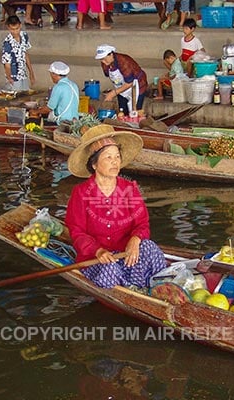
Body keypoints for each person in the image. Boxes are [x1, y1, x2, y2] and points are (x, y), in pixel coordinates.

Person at [65, 124, 167, 289]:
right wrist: (97, 251)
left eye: (117, 157)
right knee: (110, 269)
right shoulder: (81, 193)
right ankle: (131, 288)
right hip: (98, 258)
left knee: (149, 247)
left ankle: (156, 287)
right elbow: (77, 231)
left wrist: (135, 239)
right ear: (94, 165)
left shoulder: (129, 188)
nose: (115, 162)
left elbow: (142, 224)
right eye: (108, 158)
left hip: (126, 253)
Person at [95, 44, 148, 116]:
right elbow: (108, 74)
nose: (103, 61)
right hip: (121, 87)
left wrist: (113, 93)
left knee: (135, 113)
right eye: (101, 59)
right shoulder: (105, 63)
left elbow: (129, 82)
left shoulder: (124, 61)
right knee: (122, 111)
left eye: (104, 58)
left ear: (111, 54)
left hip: (137, 85)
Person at [1, 16, 36, 91]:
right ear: (8, 27)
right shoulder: (7, 43)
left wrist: (31, 73)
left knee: (25, 97)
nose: (15, 32)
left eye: (17, 29)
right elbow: (7, 64)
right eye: (12, 29)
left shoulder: (24, 36)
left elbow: (25, 54)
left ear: (20, 25)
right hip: (14, 77)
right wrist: (10, 78)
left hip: (23, 74)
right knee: (15, 100)